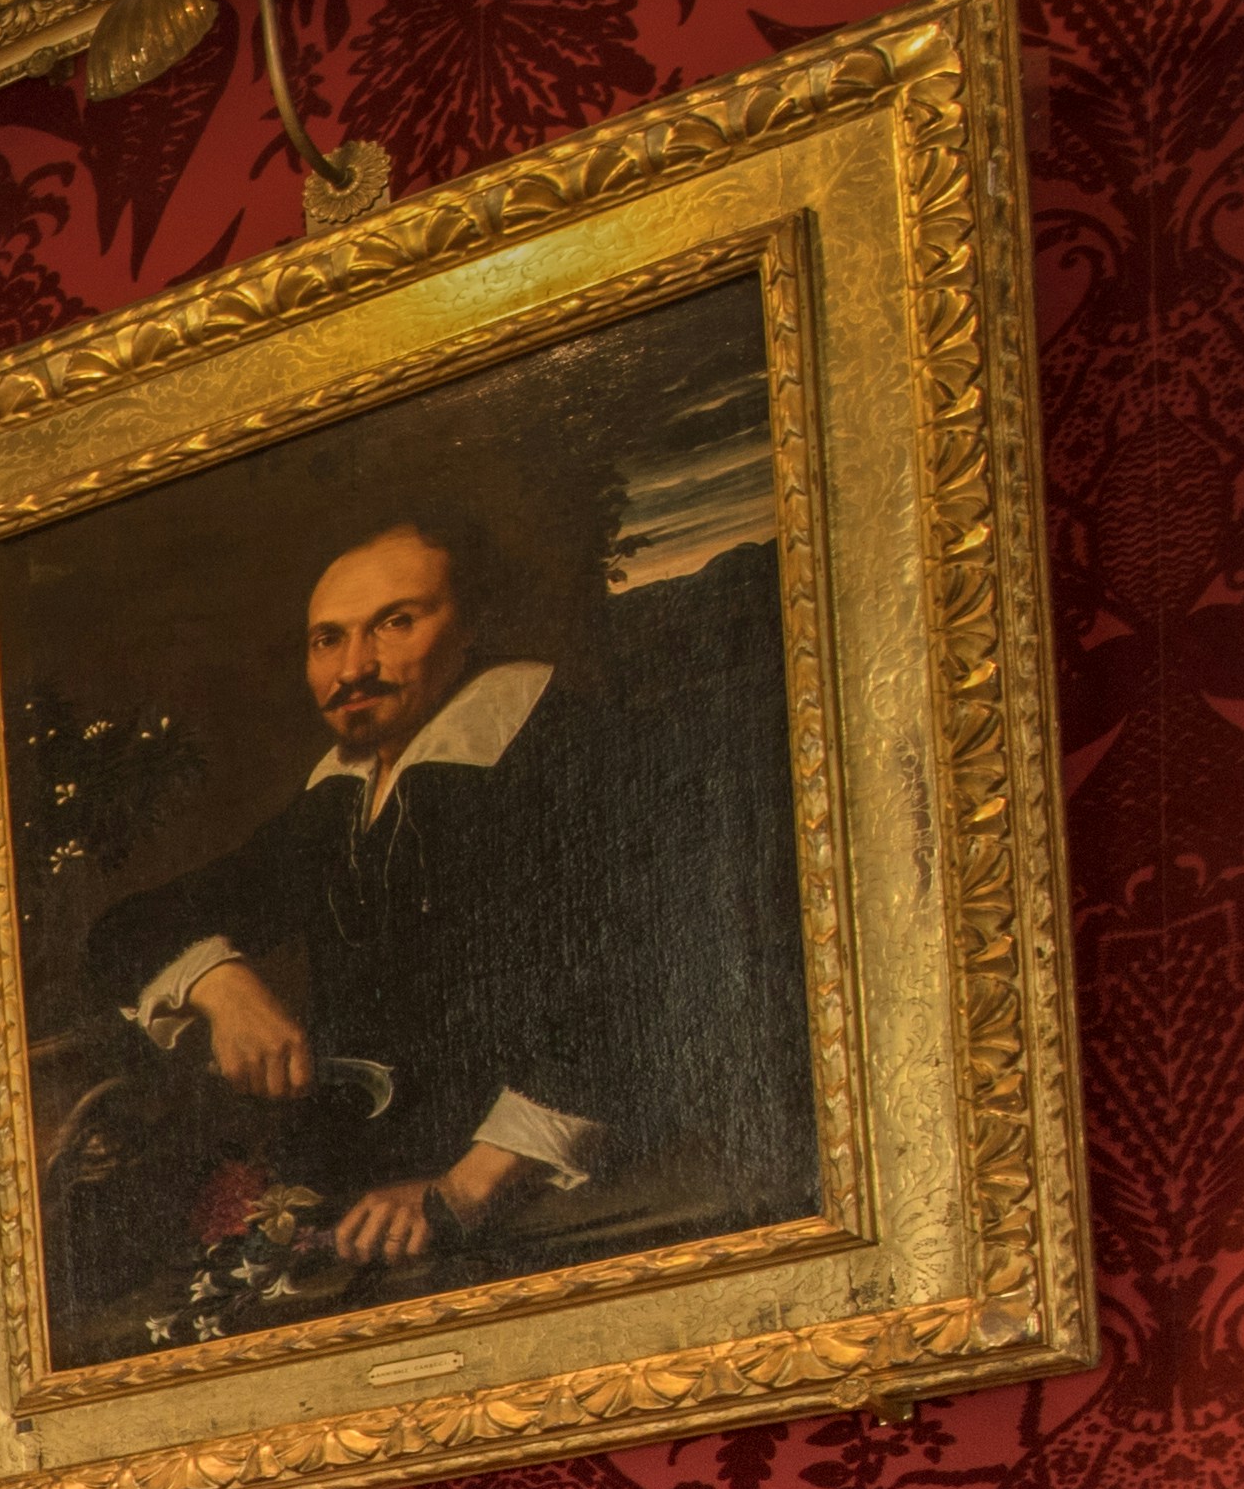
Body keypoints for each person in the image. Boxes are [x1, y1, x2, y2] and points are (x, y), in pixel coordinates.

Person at [72, 502, 813, 1311]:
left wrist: (468, 1184)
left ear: (473, 625)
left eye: (396, 623)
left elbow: (652, 987)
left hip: (582, 1189)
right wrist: (222, 984)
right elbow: (128, 929)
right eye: (328, 639)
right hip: (380, 1193)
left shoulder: (572, 751)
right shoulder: (343, 794)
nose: (353, 667)